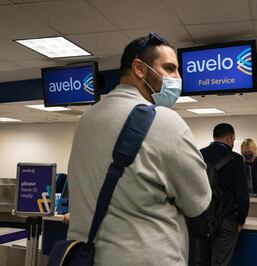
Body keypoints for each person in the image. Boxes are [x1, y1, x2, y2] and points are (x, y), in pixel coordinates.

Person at [67, 33, 212, 266]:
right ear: (139, 69)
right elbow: (198, 205)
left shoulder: (87, 119)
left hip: (87, 257)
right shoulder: (165, 121)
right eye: (169, 68)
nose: (178, 78)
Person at [192, 123, 249, 266]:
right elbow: (242, 196)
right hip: (225, 220)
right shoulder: (236, 160)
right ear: (229, 138)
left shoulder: (199, 155)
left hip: (202, 218)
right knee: (219, 263)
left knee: (201, 261)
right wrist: (240, 220)